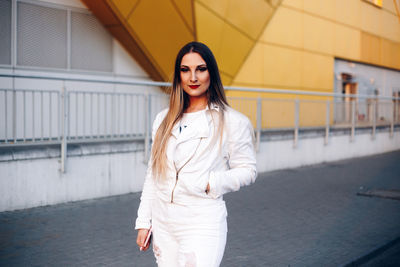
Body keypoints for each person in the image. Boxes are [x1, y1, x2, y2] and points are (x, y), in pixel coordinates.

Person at [135, 41, 257, 267]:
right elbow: (153, 174)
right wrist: (144, 221)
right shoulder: (163, 120)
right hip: (164, 224)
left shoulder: (233, 121)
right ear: (178, 75)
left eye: (200, 69)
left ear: (211, 72)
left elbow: (248, 170)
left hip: (202, 222)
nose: (193, 77)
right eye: (185, 70)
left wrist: (211, 182)